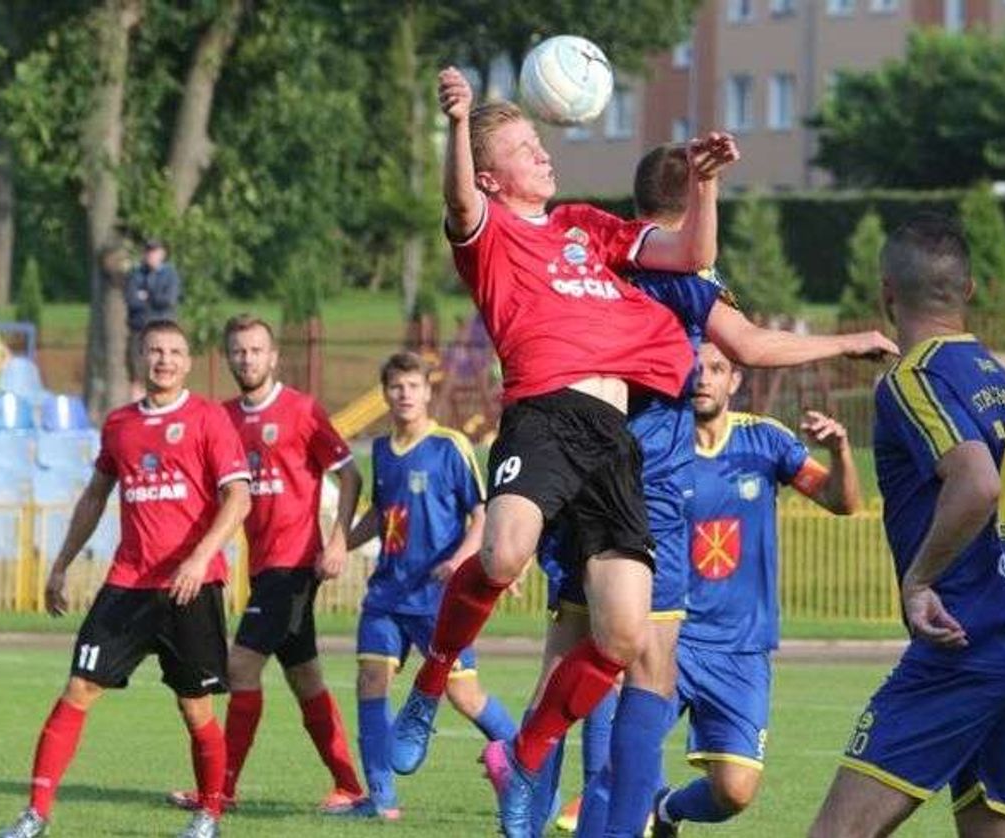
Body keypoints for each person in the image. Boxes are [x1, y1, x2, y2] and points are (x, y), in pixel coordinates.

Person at [390, 66, 740, 838]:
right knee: (505, 552)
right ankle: (431, 683)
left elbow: (688, 254)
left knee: (622, 636)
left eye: (540, 140)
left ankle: (526, 750)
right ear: (490, 175)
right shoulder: (489, 233)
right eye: (524, 146)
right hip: (546, 413)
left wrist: (705, 184)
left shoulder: (586, 225)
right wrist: (455, 122)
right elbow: (456, 202)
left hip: (613, 443)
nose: (543, 155)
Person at [530, 144, 896, 838]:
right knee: (644, 672)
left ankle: (532, 815)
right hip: (645, 493)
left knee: (571, 669)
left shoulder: (584, 261)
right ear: (687, 210)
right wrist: (849, 342)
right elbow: (754, 345)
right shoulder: (684, 279)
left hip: (576, 474)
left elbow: (840, 498)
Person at [808, 215, 1005, 837]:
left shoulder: (912, 377)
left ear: (887, 291)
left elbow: (977, 482)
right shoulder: (1000, 380)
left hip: (961, 643)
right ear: (969, 290)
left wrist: (919, 581)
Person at [0, 319, 251, 838]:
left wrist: (201, 559)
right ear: (140, 356)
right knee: (78, 688)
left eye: (176, 352)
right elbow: (94, 496)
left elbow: (239, 496)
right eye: (156, 351)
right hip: (128, 583)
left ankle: (209, 816)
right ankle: (35, 814)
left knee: (193, 704)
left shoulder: (208, 419)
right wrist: (62, 563)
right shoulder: (120, 425)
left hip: (190, 587)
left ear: (188, 361)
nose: (165, 360)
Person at [649, 341, 860, 836]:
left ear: (735, 381)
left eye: (716, 369)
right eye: (694, 368)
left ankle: (665, 810)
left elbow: (841, 501)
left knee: (735, 792)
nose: (703, 378)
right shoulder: (657, 444)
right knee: (624, 752)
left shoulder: (766, 442)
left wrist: (841, 451)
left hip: (741, 649)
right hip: (666, 638)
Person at [164, 314, 365, 814]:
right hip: (263, 567)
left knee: (240, 664)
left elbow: (352, 476)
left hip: (294, 564)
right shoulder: (222, 417)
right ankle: (349, 786)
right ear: (228, 357)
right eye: (238, 351)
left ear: (273, 356)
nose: (247, 359)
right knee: (306, 678)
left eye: (256, 350)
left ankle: (221, 789)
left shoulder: (302, 411)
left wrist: (338, 540)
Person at [346, 351, 517, 819]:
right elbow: (382, 514)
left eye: (413, 386)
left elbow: (482, 513)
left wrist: (461, 559)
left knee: (464, 694)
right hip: (387, 594)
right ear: (386, 394)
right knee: (370, 680)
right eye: (396, 387)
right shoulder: (380, 450)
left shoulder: (451, 446)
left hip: (438, 600)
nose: (404, 395)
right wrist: (341, 543)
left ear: (427, 392)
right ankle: (381, 801)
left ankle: (529, 764)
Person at [125, 239, 181, 396]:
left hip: (163, 333)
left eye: (155, 251)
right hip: (139, 331)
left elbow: (169, 300)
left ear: (162, 253)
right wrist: (154, 299)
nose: (151, 255)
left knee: (165, 374)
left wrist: (147, 295)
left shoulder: (170, 274)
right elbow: (132, 300)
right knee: (137, 376)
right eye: (148, 251)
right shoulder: (136, 274)